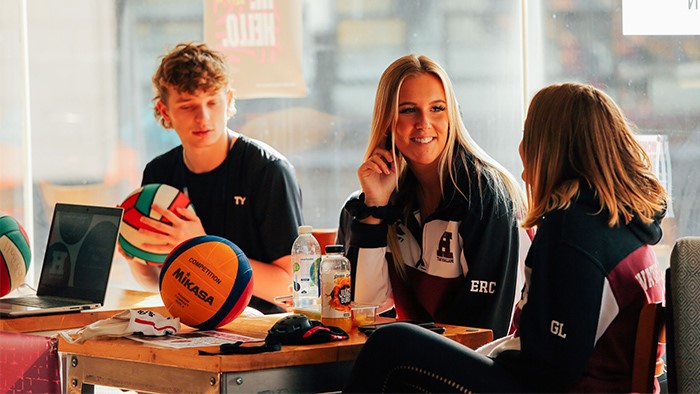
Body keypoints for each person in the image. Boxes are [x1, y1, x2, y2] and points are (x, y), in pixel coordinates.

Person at [343, 82, 668, 393]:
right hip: (568, 381)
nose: (521, 148)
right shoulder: (619, 224)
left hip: (559, 387)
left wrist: (483, 363)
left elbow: (552, 368)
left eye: (528, 134)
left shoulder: (571, 234)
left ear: (551, 147)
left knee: (393, 343)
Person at [341, 54, 526, 339]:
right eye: (408, 110)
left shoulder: (487, 195)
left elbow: (487, 331)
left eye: (437, 108)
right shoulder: (374, 202)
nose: (424, 123)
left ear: (451, 115)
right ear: (387, 121)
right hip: (425, 362)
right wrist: (376, 205)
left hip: (489, 368)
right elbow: (368, 309)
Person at [122, 42, 303, 314]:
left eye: (212, 102)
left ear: (229, 100)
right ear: (164, 111)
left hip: (260, 328)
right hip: (189, 323)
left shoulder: (268, 170)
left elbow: (290, 288)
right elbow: (158, 281)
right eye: (187, 106)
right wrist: (135, 252)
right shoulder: (160, 172)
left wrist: (204, 246)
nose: (202, 117)